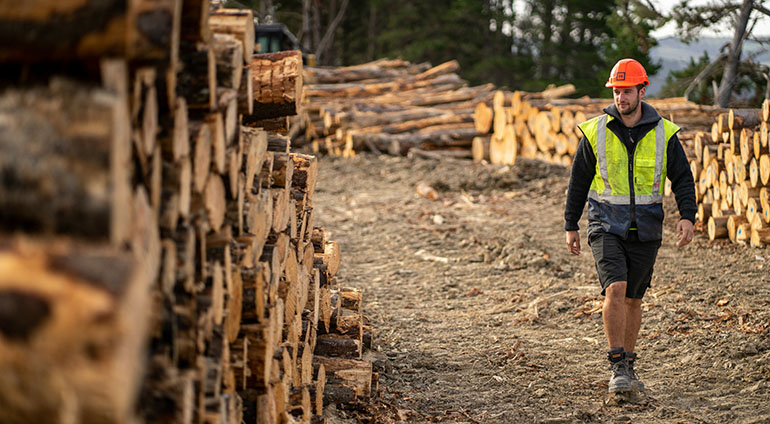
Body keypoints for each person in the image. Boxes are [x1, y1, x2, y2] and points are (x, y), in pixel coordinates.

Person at [564, 58, 696, 394]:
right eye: (616, 91)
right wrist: (571, 224)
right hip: (605, 223)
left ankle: (631, 364)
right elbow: (578, 181)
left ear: (642, 90)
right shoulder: (596, 131)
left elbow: (682, 178)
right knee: (616, 290)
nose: (620, 98)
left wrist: (687, 216)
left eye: (626, 91)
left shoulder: (665, 132)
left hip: (647, 228)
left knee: (634, 299)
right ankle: (617, 364)